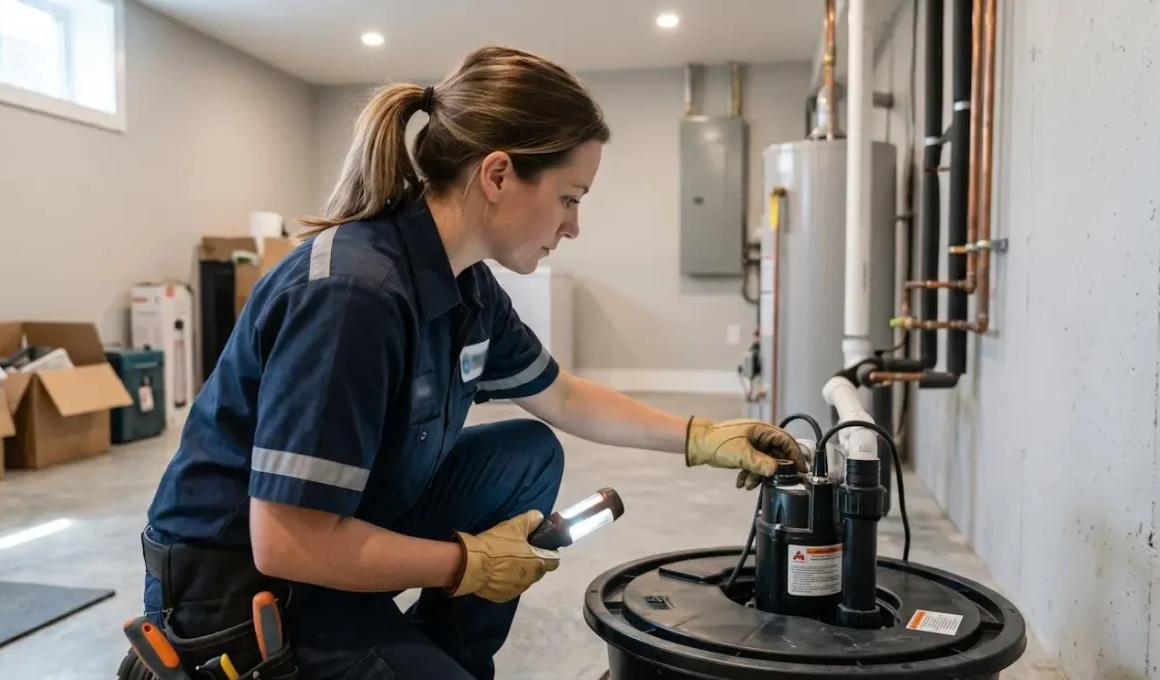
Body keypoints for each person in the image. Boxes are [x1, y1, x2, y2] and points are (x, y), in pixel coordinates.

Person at [125, 46, 808, 680]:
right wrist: (467, 564)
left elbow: (562, 397)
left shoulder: (465, 284)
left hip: (339, 532)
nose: (573, 226)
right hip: (242, 590)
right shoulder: (353, 297)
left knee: (527, 454)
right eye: (570, 199)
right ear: (499, 174)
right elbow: (285, 542)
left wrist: (703, 437)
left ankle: (435, 655)